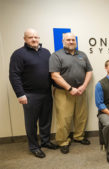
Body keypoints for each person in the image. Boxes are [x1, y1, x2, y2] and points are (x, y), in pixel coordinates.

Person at [9, 28, 57, 158]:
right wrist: (20, 94)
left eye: (36, 37)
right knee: (31, 122)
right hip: (30, 95)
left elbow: (51, 73)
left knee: (46, 120)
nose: (34, 39)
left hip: (46, 93)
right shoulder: (19, 54)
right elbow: (14, 75)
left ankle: (46, 141)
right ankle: (34, 146)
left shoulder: (46, 53)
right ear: (25, 39)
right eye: (30, 37)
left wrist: (55, 87)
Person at [49, 32, 93, 154]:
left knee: (81, 116)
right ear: (63, 41)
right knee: (64, 118)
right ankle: (63, 141)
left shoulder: (82, 55)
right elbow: (55, 75)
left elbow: (89, 71)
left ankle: (79, 136)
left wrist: (84, 86)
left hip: (80, 91)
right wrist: (70, 88)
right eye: (68, 40)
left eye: (73, 40)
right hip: (63, 92)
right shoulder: (56, 55)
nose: (71, 42)